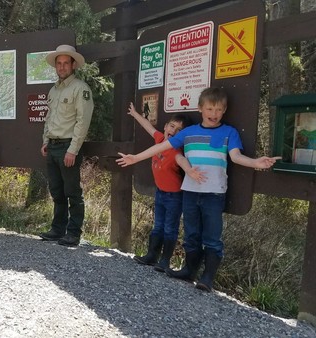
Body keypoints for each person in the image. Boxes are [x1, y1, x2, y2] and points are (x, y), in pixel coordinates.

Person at [116, 87, 280, 291]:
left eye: (219, 109)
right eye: (210, 109)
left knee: (212, 236)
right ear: (200, 109)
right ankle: (189, 271)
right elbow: (161, 146)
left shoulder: (229, 132)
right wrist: (136, 157)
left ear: (225, 110)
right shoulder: (188, 133)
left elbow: (236, 157)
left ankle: (208, 278)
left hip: (214, 193)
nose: (214, 114)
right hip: (190, 192)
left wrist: (257, 162)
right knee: (191, 234)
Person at [126, 102, 204, 272]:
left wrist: (190, 171)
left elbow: (182, 161)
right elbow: (148, 126)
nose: (174, 131)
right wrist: (134, 114)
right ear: (166, 126)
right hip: (160, 193)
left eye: (179, 130)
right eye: (172, 126)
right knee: (158, 225)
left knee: (170, 228)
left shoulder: (176, 151)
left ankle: (164, 261)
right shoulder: (160, 140)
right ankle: (151, 256)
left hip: (174, 196)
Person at [39, 44, 94, 247]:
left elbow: (83, 120)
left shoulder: (80, 89)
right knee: (57, 191)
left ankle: (73, 233)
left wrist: (73, 149)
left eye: (65, 63)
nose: (62, 67)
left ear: (73, 65)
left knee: (72, 192)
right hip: (53, 146)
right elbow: (49, 118)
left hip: (68, 147)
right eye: (59, 63)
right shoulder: (53, 90)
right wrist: (46, 141)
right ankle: (57, 229)